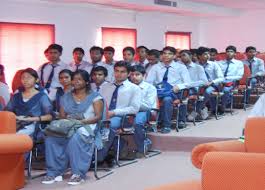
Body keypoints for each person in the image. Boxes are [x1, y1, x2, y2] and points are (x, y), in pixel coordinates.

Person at [42, 70, 104, 185]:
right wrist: (68, 122)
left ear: (86, 82)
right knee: (51, 138)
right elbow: (62, 116)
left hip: (87, 125)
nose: (76, 82)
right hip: (68, 124)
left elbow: (98, 117)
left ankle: (78, 173)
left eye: (79, 79)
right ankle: (54, 172)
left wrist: (80, 121)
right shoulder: (66, 97)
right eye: (74, 79)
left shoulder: (95, 97)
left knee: (75, 137)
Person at [98, 61, 141, 160]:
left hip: (122, 118)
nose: (119, 74)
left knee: (108, 126)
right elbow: (98, 102)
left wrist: (114, 112)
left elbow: (134, 109)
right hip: (103, 115)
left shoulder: (134, 88)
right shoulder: (105, 86)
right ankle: (90, 155)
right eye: (116, 71)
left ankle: (99, 158)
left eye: (122, 72)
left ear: (129, 74)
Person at [146, 46, 191, 133]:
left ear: (174, 56)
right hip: (159, 91)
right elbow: (148, 82)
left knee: (167, 99)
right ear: (161, 55)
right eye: (164, 53)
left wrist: (179, 87)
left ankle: (166, 125)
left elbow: (187, 83)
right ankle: (151, 123)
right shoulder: (155, 67)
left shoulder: (180, 67)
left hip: (175, 92)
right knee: (154, 98)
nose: (166, 55)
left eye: (169, 54)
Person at [6, 68, 53, 136]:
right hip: (16, 123)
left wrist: (30, 119)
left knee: (13, 136)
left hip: (33, 125)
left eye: (29, 78)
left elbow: (50, 116)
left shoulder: (42, 96)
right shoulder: (16, 96)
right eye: (23, 78)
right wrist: (16, 117)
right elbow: (7, 111)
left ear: (36, 80)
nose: (26, 80)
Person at [130, 65, 157, 157]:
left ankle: (142, 146)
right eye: (132, 75)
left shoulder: (150, 88)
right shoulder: (127, 86)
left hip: (145, 111)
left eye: (137, 75)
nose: (134, 77)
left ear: (144, 75)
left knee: (137, 122)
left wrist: (134, 104)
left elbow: (148, 106)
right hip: (128, 111)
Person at [179, 50, 208, 121]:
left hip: (193, 88)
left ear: (191, 56)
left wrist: (190, 84)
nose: (182, 57)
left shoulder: (198, 67)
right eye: (180, 56)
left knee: (182, 95)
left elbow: (204, 81)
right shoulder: (178, 67)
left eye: (184, 55)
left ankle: (183, 117)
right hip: (181, 88)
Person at [197, 47, 224, 115]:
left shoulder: (214, 64)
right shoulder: (195, 65)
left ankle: (198, 109)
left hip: (213, 85)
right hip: (200, 85)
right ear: (199, 56)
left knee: (208, 91)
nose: (208, 55)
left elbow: (221, 78)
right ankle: (202, 108)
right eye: (205, 54)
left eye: (208, 54)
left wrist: (211, 82)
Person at [217, 45, 244, 113]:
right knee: (210, 90)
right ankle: (214, 108)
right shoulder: (220, 63)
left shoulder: (239, 63)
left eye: (231, 52)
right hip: (220, 81)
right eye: (227, 51)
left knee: (226, 90)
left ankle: (223, 106)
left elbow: (239, 76)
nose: (229, 53)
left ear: (235, 53)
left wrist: (227, 78)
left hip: (232, 81)